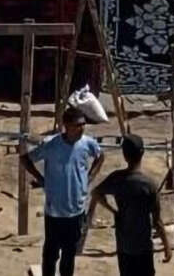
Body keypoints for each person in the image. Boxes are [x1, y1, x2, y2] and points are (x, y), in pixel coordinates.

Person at [22, 107, 106, 276]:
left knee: (69, 253)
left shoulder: (87, 143)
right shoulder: (51, 145)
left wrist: (90, 177)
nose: (82, 128)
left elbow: (100, 156)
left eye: (83, 124)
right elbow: (26, 159)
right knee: (51, 253)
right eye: (77, 125)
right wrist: (41, 179)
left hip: (76, 210)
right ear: (66, 126)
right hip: (55, 211)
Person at [86, 134, 172, 275]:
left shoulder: (117, 178)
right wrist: (167, 247)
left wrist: (113, 210)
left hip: (124, 246)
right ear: (142, 153)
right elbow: (157, 222)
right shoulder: (149, 185)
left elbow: (96, 193)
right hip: (144, 246)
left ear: (124, 155)